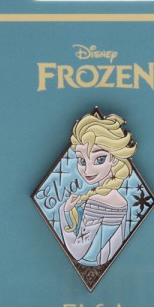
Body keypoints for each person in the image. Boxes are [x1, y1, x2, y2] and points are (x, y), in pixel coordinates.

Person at [59, 113, 136, 266]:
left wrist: (63, 211)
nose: (88, 170)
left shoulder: (96, 201)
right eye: (82, 160)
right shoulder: (123, 202)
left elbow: (77, 252)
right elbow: (115, 245)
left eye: (99, 159)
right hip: (102, 264)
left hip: (90, 263)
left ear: (114, 158)